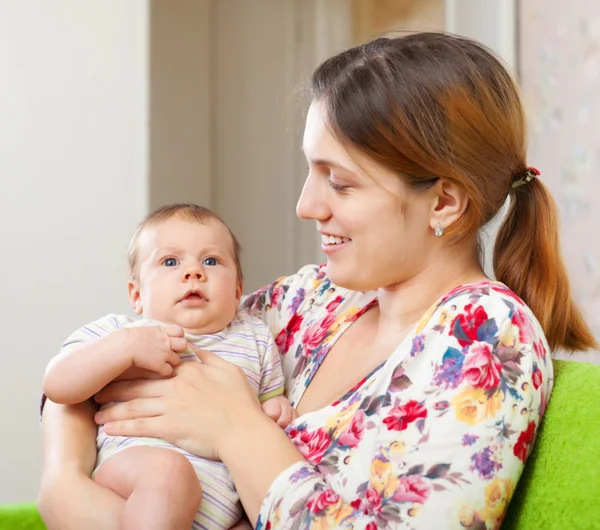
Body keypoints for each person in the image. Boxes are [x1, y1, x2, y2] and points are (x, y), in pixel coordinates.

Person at [38, 32, 598, 530]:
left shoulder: (484, 339)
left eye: (342, 184)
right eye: (311, 171)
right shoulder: (311, 300)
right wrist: (62, 479)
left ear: (445, 202)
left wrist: (236, 428)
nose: (306, 205)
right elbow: (111, 362)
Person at [42, 203, 295, 530]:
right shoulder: (117, 331)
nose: (194, 272)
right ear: (137, 295)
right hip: (134, 479)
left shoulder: (256, 337)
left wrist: (276, 409)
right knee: (168, 471)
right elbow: (58, 384)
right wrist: (125, 348)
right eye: (170, 261)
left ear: (236, 292)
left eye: (211, 260)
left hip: (221, 510)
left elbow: (269, 401)